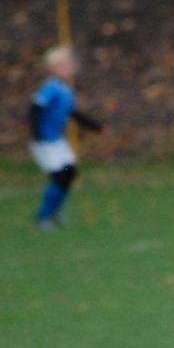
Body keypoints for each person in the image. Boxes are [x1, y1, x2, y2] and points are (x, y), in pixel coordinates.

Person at [27, 46, 102, 230]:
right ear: (52, 68)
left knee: (69, 173)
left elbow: (71, 113)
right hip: (45, 141)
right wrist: (36, 134)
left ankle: (54, 210)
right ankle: (43, 217)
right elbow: (35, 109)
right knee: (59, 177)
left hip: (57, 141)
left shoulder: (65, 90)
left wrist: (93, 125)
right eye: (62, 65)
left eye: (68, 65)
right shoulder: (50, 87)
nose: (66, 68)